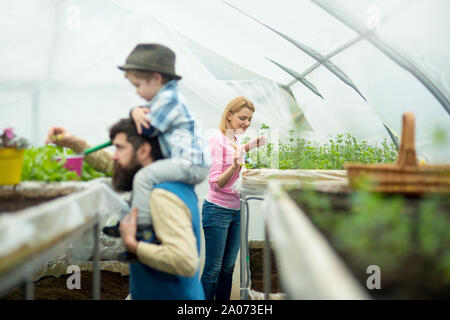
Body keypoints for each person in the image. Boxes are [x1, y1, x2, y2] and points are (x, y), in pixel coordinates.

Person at [47, 43, 210, 248]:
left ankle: (141, 228)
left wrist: (137, 247)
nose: (137, 92)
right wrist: (75, 143)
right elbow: (116, 165)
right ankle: (131, 220)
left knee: (143, 177)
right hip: (187, 162)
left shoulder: (164, 196)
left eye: (138, 86)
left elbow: (147, 129)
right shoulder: (163, 103)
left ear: (144, 151)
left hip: (190, 162)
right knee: (141, 179)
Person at [201, 96, 266, 300]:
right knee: (214, 268)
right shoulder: (216, 139)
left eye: (249, 120)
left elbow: (235, 154)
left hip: (237, 211)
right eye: (242, 118)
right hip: (216, 210)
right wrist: (236, 164)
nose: (247, 123)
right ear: (229, 115)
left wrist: (249, 146)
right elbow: (216, 183)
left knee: (228, 267)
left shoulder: (235, 138)